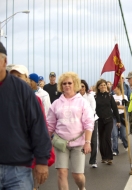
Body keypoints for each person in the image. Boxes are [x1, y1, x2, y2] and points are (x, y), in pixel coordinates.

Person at [0, 42, 51, 189]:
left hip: (18, 170)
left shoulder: (22, 89)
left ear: (4, 61)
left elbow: (38, 126)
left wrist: (42, 161)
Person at [10, 64, 55, 190]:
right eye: (12, 76)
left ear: (26, 80)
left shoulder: (35, 99)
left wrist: (42, 159)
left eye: (19, 76)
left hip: (23, 157)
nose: (15, 79)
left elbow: (41, 127)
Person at [47, 72, 94, 190]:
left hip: (78, 144)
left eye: (69, 83)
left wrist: (88, 142)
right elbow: (50, 125)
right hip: (60, 143)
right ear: (61, 85)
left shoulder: (82, 102)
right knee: (62, 173)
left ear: (75, 84)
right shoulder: (56, 103)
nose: (67, 85)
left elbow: (89, 123)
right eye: (64, 83)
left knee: (77, 175)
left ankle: (82, 187)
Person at [95, 79, 120, 165]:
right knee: (101, 139)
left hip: (109, 119)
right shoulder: (95, 97)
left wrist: (118, 120)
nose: (103, 86)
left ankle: (109, 157)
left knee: (107, 137)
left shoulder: (110, 96)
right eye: (101, 85)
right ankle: (104, 157)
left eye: (104, 85)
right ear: (98, 87)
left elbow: (115, 109)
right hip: (99, 120)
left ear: (106, 87)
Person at [79, 79, 98, 168]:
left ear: (85, 87)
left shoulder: (90, 96)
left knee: (93, 141)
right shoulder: (76, 97)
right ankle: (79, 161)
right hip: (79, 123)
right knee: (80, 142)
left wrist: (85, 116)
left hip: (91, 121)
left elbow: (93, 109)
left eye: (82, 86)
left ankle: (93, 160)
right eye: (79, 86)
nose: (81, 88)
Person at [112, 82, 128, 156]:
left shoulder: (124, 97)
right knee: (114, 134)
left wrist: (116, 106)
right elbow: (111, 107)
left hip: (122, 116)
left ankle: (126, 145)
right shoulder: (112, 97)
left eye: (115, 88)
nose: (113, 89)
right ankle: (115, 150)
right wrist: (118, 106)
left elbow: (125, 107)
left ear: (118, 88)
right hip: (114, 116)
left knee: (123, 135)